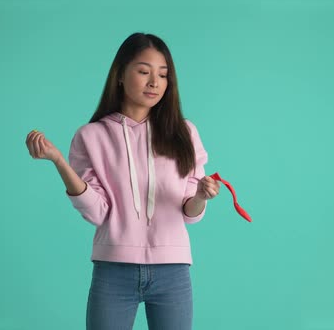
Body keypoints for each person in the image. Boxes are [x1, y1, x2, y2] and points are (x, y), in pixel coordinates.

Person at [24, 32, 220, 330]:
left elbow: (190, 214)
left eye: (163, 75)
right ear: (120, 74)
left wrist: (201, 197)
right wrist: (59, 162)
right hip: (113, 270)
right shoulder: (91, 136)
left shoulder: (184, 132)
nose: (154, 82)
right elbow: (98, 212)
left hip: (173, 269)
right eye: (143, 71)